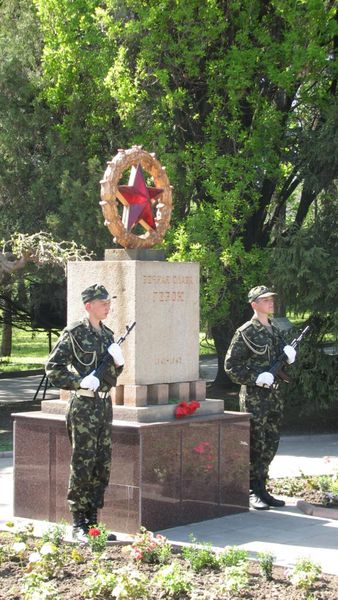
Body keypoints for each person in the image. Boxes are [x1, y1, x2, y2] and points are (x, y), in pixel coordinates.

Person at [45, 283, 124, 540]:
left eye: (109, 302)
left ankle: (93, 523)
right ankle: (78, 523)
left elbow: (110, 375)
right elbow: (53, 368)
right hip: (83, 406)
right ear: (89, 305)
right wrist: (78, 382)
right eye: (103, 303)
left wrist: (118, 363)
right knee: (83, 463)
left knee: (102, 464)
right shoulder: (75, 333)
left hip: (103, 404)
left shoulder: (107, 335)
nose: (107, 307)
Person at [224, 286, 296, 510]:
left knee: (271, 442)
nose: (270, 303)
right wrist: (256, 378)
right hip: (255, 396)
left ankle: (262, 486)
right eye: (265, 300)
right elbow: (230, 366)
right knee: (256, 443)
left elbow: (277, 358)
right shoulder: (245, 332)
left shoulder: (274, 329)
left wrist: (289, 357)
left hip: (274, 395)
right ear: (254, 304)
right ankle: (253, 490)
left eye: (271, 299)